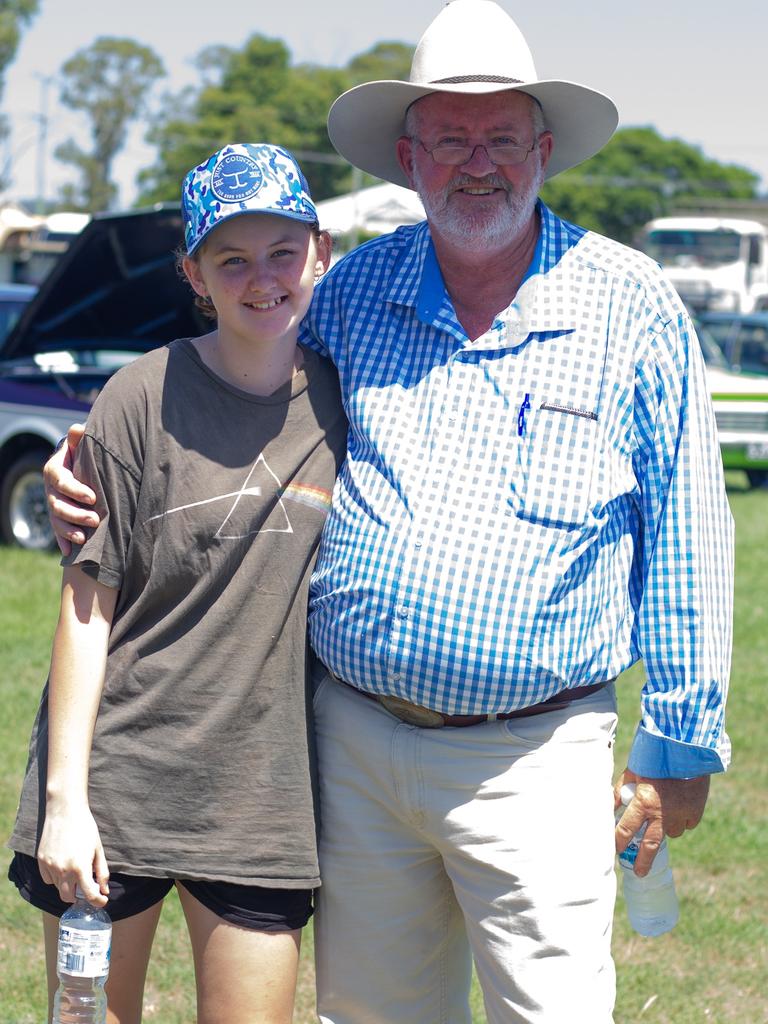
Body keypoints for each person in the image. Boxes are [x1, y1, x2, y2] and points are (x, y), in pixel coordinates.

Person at [43, 2, 734, 1021]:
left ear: (544, 149)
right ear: (409, 157)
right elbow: (232, 370)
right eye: (449, 138)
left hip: (535, 754)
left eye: (501, 135)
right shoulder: (351, 289)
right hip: (354, 748)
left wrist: (677, 746)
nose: (477, 161)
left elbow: (689, 531)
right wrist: (95, 456)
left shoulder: (630, 302)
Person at [8, 142, 346, 1024]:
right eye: (232, 259)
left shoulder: (352, 402)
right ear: (193, 272)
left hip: (259, 797)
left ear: (320, 253)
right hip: (117, 781)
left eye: (283, 251)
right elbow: (87, 608)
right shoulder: (134, 398)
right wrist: (65, 805)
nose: (261, 278)